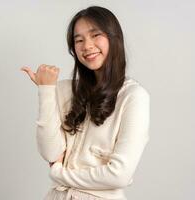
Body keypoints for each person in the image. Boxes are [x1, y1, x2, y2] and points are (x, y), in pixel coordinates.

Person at [21, 6, 150, 200]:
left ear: (114, 38)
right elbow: (50, 152)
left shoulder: (133, 96)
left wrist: (60, 174)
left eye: (95, 35)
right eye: (78, 40)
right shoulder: (65, 90)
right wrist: (46, 90)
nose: (87, 46)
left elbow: (119, 175)